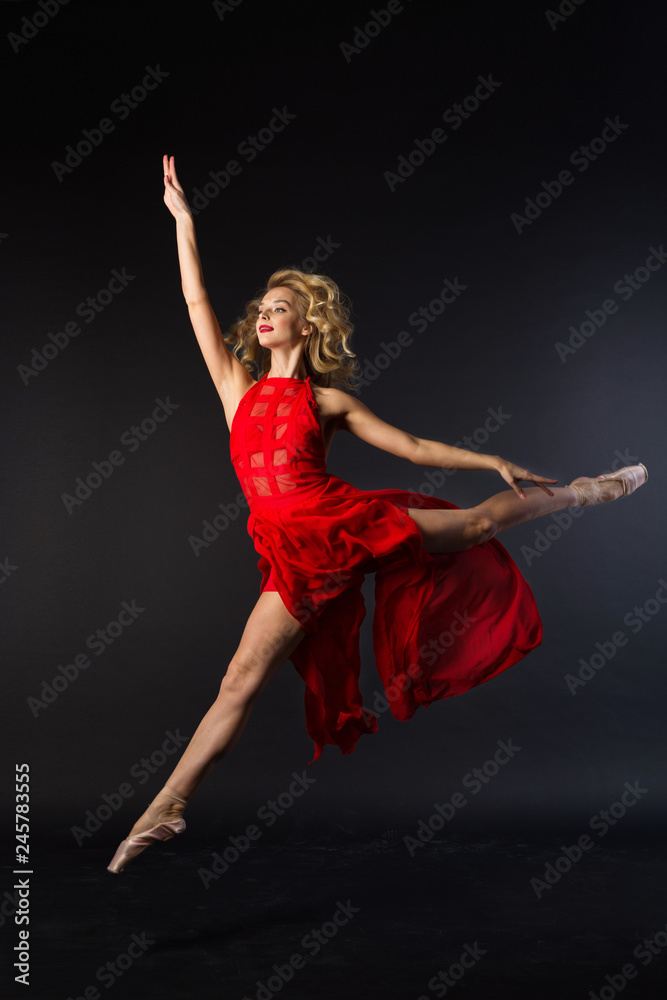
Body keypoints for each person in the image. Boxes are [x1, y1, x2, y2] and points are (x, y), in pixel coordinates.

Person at [106, 155, 648, 874]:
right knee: (239, 678)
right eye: (260, 308)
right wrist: (183, 222)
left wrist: (490, 458)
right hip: (290, 552)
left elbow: (413, 446)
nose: (262, 314)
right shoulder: (236, 387)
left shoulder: (325, 402)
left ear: (304, 325)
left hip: (343, 524)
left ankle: (583, 490)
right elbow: (195, 303)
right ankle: (169, 804)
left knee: (476, 527)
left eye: (277, 308)